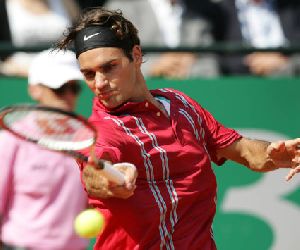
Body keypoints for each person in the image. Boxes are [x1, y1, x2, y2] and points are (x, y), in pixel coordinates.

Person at [55, 7, 300, 249]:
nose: (99, 83)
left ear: (136, 55)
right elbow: (93, 175)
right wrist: (110, 178)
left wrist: (272, 154)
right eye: (88, 74)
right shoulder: (101, 130)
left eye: (109, 67)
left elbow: (244, 151)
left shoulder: (179, 103)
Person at [0, 49, 89, 250]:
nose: (67, 96)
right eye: (59, 88)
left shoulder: (87, 141)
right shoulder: (10, 141)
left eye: (73, 88)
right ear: (34, 90)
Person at [104, 0, 220, 79]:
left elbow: (211, 68)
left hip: (189, 99)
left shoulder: (200, 17)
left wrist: (185, 68)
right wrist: (153, 67)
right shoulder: (121, 9)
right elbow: (110, 62)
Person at [0, 0, 81, 77]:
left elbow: (79, 34)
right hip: (19, 76)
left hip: (66, 73)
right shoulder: (5, 4)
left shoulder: (67, 3)